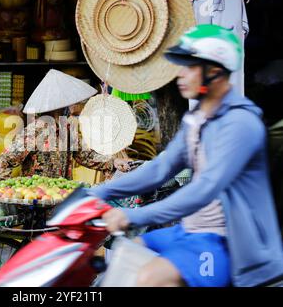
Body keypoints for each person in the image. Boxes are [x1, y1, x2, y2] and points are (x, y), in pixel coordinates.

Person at [91, 24, 283, 287]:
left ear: (214, 70)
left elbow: (205, 189)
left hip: (225, 243)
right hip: (189, 232)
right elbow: (161, 168)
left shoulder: (240, 124)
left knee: (150, 277)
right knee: (128, 253)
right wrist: (99, 193)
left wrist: (133, 216)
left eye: (189, 66)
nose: (179, 74)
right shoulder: (197, 119)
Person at [0, 71, 123, 182]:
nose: (74, 106)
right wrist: (5, 191)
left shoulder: (65, 128)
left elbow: (85, 155)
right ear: (61, 106)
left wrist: (113, 162)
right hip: (37, 200)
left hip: (61, 197)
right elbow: (5, 160)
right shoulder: (36, 130)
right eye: (71, 102)